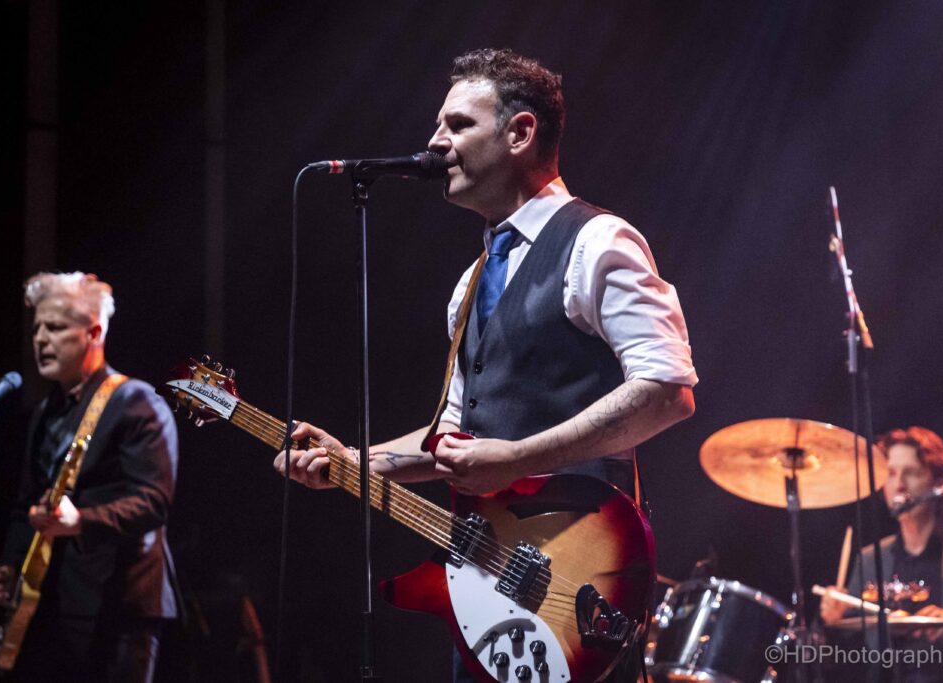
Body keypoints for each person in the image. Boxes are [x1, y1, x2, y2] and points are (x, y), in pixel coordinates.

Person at [274, 48, 697, 680]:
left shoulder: (598, 241)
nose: (434, 141)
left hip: (578, 586)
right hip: (490, 599)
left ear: (520, 133)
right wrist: (352, 462)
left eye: (457, 124)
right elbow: (453, 437)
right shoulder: (469, 284)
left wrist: (520, 457)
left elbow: (667, 389)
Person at [0, 272, 178, 682]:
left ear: (94, 333)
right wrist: (10, 567)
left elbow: (153, 502)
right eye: (37, 328)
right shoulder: (44, 412)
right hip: (52, 604)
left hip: (119, 608)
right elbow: (26, 505)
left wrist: (81, 521)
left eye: (54, 327)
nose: (40, 339)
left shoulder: (135, 401)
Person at [819, 426, 943, 682]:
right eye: (890, 474)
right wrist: (832, 621)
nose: (899, 484)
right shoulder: (869, 559)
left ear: (939, 482)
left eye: (911, 473)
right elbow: (847, 660)